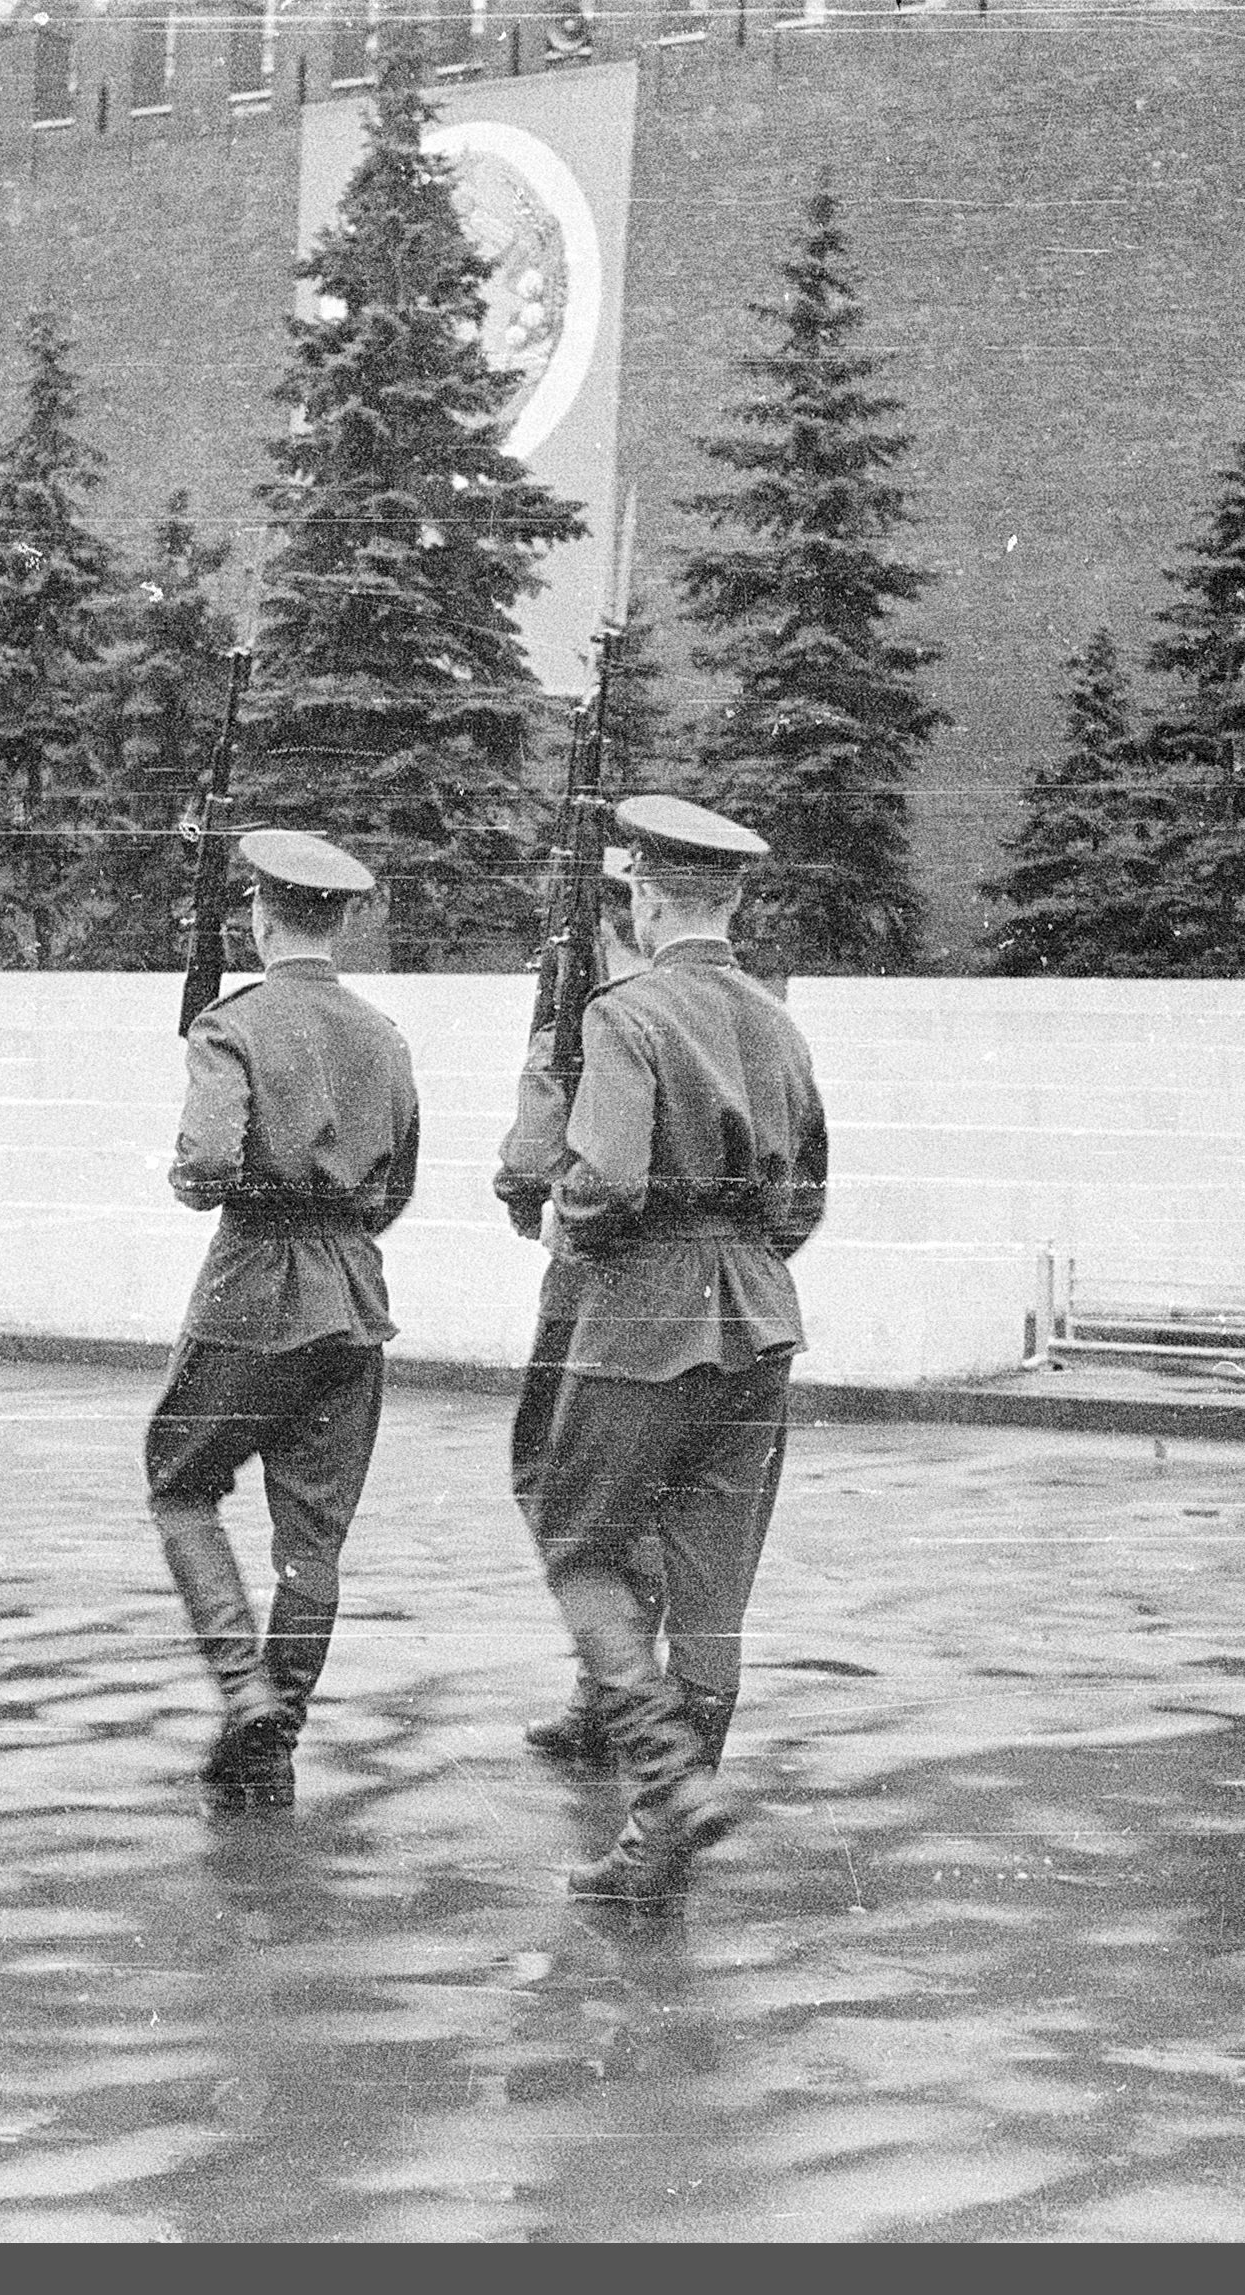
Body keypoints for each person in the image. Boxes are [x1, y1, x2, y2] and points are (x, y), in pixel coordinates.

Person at [524, 794, 828, 1911]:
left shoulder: (628, 1012)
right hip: (759, 1306)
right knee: (711, 1596)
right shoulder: (776, 1020)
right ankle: (657, 1846)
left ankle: (666, 1777)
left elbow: (603, 1179)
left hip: (647, 1307)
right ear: (732, 899)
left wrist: (569, 1216)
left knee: (582, 1547)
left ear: (647, 899)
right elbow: (802, 1198)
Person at [145, 828, 420, 1813]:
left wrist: (198, 1178)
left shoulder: (235, 1024)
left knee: (179, 1484)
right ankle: (274, 1736)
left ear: (259, 916)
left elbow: (203, 1169)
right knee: (314, 1541)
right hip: (352, 1291)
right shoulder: (383, 1035)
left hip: (253, 1281)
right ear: (340, 921)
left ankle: (241, 1686)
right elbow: (396, 1181)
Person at [494, 848, 664, 1774]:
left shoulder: (593, 1017)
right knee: (647, 1491)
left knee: (555, 1474)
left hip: (595, 1273)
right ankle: (617, 1687)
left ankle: (615, 1687)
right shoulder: (718, 1007)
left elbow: (537, 1134)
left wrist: (526, 1193)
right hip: (703, 1294)